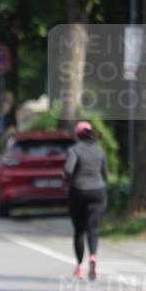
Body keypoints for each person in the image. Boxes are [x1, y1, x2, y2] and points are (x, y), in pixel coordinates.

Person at [63, 120, 108, 281]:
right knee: (93, 228)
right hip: (98, 192)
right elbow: (105, 175)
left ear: (77, 135)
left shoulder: (74, 150)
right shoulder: (100, 151)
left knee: (79, 231)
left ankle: (79, 267)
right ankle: (93, 258)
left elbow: (68, 170)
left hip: (78, 192)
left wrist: (68, 178)